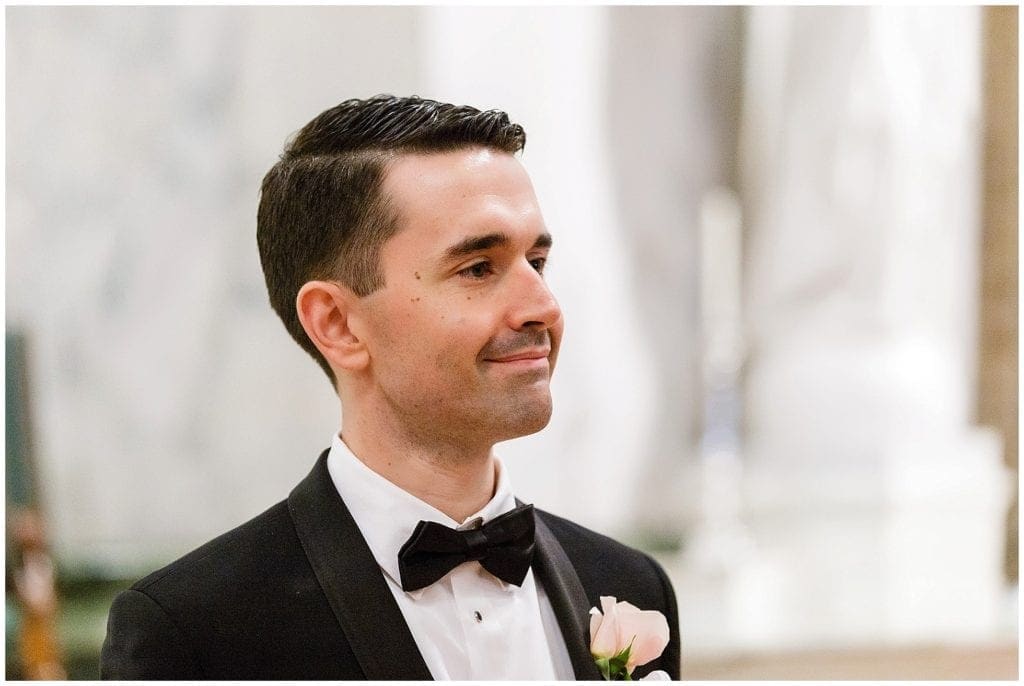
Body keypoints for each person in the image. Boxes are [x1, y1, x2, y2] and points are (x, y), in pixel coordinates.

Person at [100, 95, 681, 680]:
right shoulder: (195, 635)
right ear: (337, 324)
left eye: (538, 261)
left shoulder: (627, 584)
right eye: (477, 268)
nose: (543, 306)